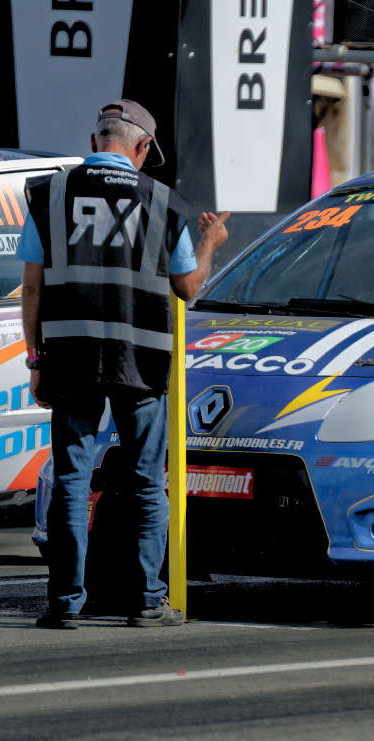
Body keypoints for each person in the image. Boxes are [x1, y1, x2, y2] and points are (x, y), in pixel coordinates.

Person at [19, 100, 228, 628]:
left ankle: (64, 604)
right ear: (140, 149)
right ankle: (148, 601)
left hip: (70, 354)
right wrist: (209, 243)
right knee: (143, 480)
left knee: (71, 477)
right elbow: (188, 288)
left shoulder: (50, 193)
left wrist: (35, 357)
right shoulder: (165, 202)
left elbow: (34, 287)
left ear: (94, 142)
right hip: (141, 359)